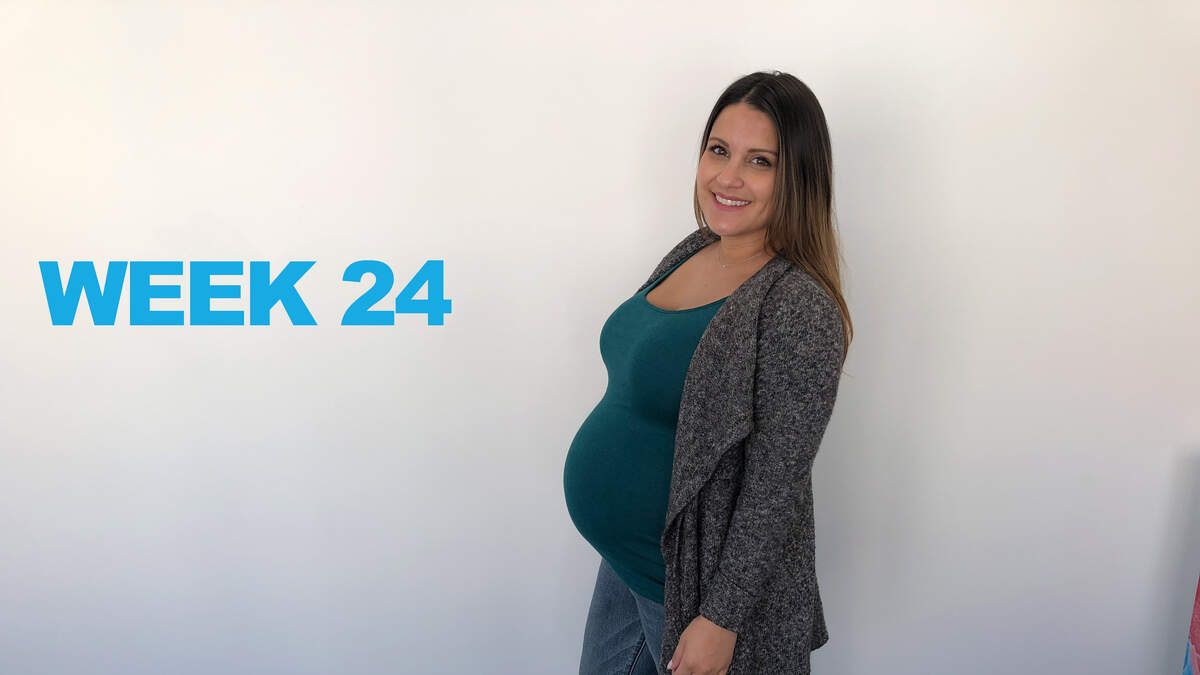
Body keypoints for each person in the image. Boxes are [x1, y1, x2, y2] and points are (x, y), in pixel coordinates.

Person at [563, 70, 853, 675]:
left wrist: (721, 619)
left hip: (694, 588)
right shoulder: (694, 248)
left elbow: (776, 486)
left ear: (798, 178)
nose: (728, 177)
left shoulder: (798, 307)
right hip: (632, 563)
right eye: (719, 150)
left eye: (760, 161)